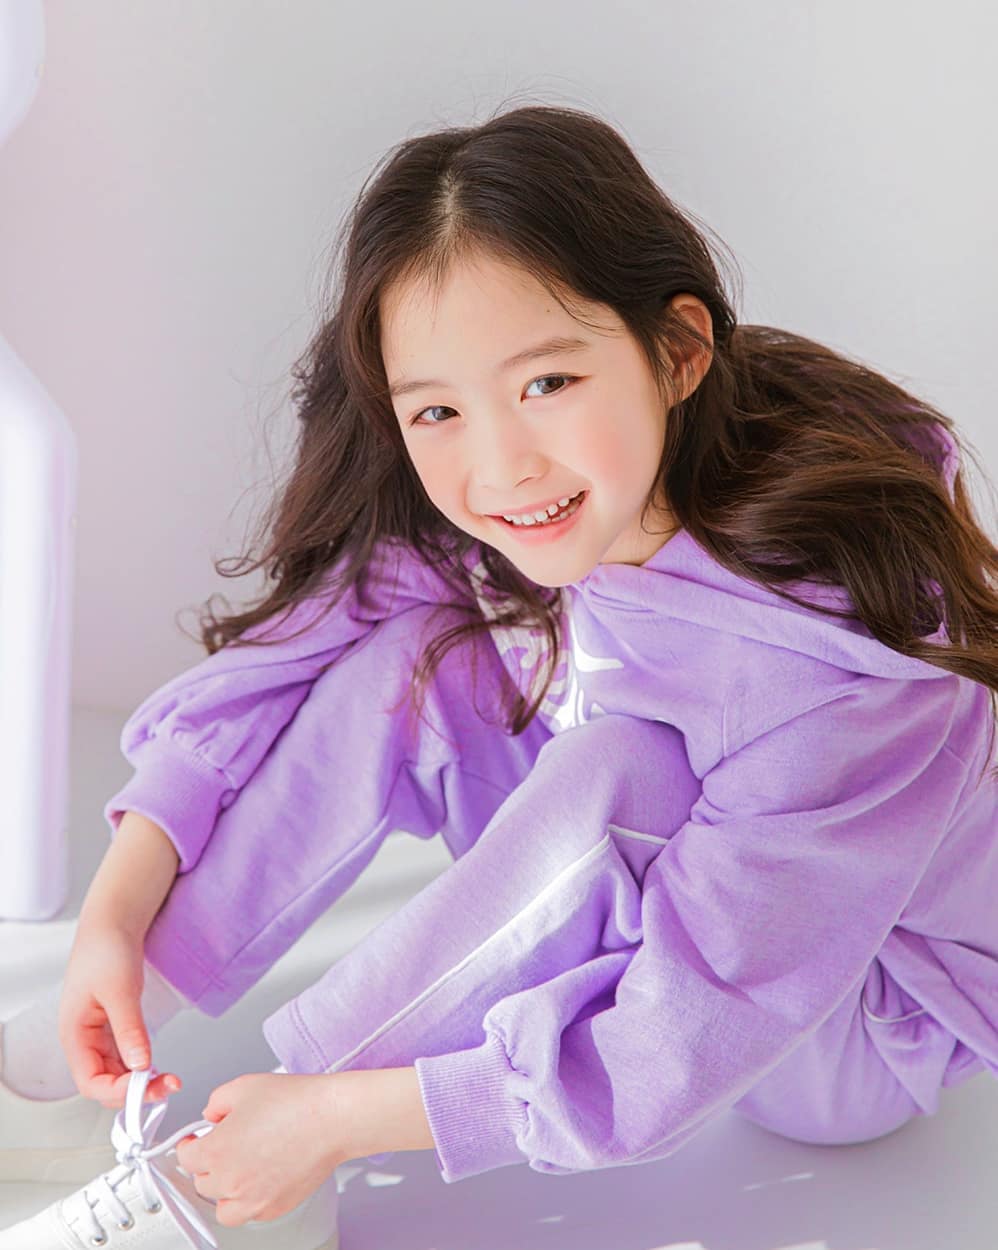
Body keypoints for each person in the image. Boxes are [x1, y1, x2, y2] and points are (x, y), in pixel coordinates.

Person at [2, 101, 996, 1245]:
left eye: (546, 384)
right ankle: (65, 1065)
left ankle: (271, 1152)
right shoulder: (569, 486)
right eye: (437, 408)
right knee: (412, 663)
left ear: (677, 349)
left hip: (844, 1018)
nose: (499, 464)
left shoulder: (832, 672)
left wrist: (337, 1115)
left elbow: (670, 1049)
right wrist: (116, 918)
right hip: (682, 896)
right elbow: (308, 641)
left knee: (620, 769)